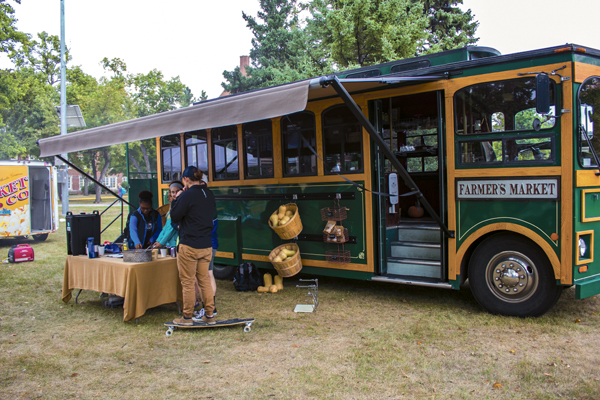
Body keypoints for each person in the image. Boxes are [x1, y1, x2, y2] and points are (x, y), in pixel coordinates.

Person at [170, 166, 216, 326]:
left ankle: (187, 317)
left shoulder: (187, 195)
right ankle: (209, 315)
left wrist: (177, 198)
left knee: (188, 282)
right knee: (204, 280)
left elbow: (174, 217)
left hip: (189, 244)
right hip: (206, 245)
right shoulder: (208, 194)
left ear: (186, 179)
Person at [193, 181, 219, 319]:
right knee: (209, 274)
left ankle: (209, 307)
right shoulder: (209, 201)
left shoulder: (205, 206)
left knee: (205, 276)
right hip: (211, 243)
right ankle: (211, 307)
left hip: (206, 244)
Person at [152, 181, 183, 249]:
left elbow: (171, 229)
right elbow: (166, 227)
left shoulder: (179, 208)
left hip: (176, 243)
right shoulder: (171, 209)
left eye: (176, 192)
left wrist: (161, 242)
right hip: (170, 243)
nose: (168, 198)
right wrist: (158, 240)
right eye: (172, 192)